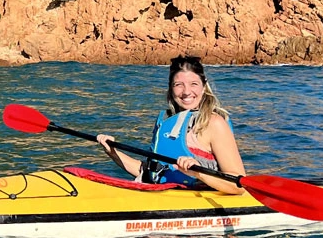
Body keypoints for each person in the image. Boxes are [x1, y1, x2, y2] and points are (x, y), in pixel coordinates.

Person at [97, 56, 246, 194]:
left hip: (197, 201)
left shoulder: (213, 123)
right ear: (171, 88)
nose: (187, 92)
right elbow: (151, 172)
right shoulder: (165, 121)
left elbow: (237, 184)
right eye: (178, 85)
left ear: (203, 86)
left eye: (194, 84)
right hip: (162, 194)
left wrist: (198, 173)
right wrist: (112, 152)